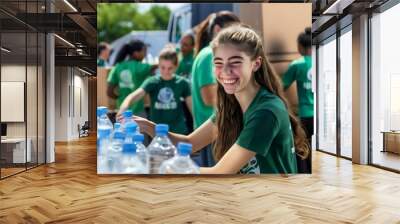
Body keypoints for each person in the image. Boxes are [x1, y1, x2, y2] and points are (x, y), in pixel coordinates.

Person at [133, 25, 310, 174]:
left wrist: (165, 168)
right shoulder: (233, 105)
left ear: (255, 63)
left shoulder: (266, 111)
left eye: (235, 62)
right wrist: (148, 127)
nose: (225, 71)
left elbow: (220, 173)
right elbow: (190, 144)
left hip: (274, 204)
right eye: (218, 63)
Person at [190, 11, 240, 167]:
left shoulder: (210, 53)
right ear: (218, 30)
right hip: (214, 135)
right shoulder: (209, 55)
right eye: (233, 30)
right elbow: (209, 98)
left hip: (216, 133)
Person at [117, 46, 192, 135]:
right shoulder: (152, 81)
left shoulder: (182, 83)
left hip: (178, 131)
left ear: (176, 67)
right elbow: (133, 97)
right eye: (162, 67)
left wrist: (196, 124)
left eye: (170, 68)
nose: (166, 71)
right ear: (158, 65)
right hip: (157, 132)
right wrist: (123, 109)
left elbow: (192, 106)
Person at [282, 28, 313, 173]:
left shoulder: (297, 64)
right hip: (319, 116)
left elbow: (281, 86)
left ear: (300, 46)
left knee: (303, 150)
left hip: (305, 115)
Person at [107, 40, 157, 117]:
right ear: (136, 53)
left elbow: (109, 92)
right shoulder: (140, 67)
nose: (145, 54)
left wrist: (120, 98)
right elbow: (154, 66)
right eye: (144, 51)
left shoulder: (117, 67)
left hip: (121, 110)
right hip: (137, 112)